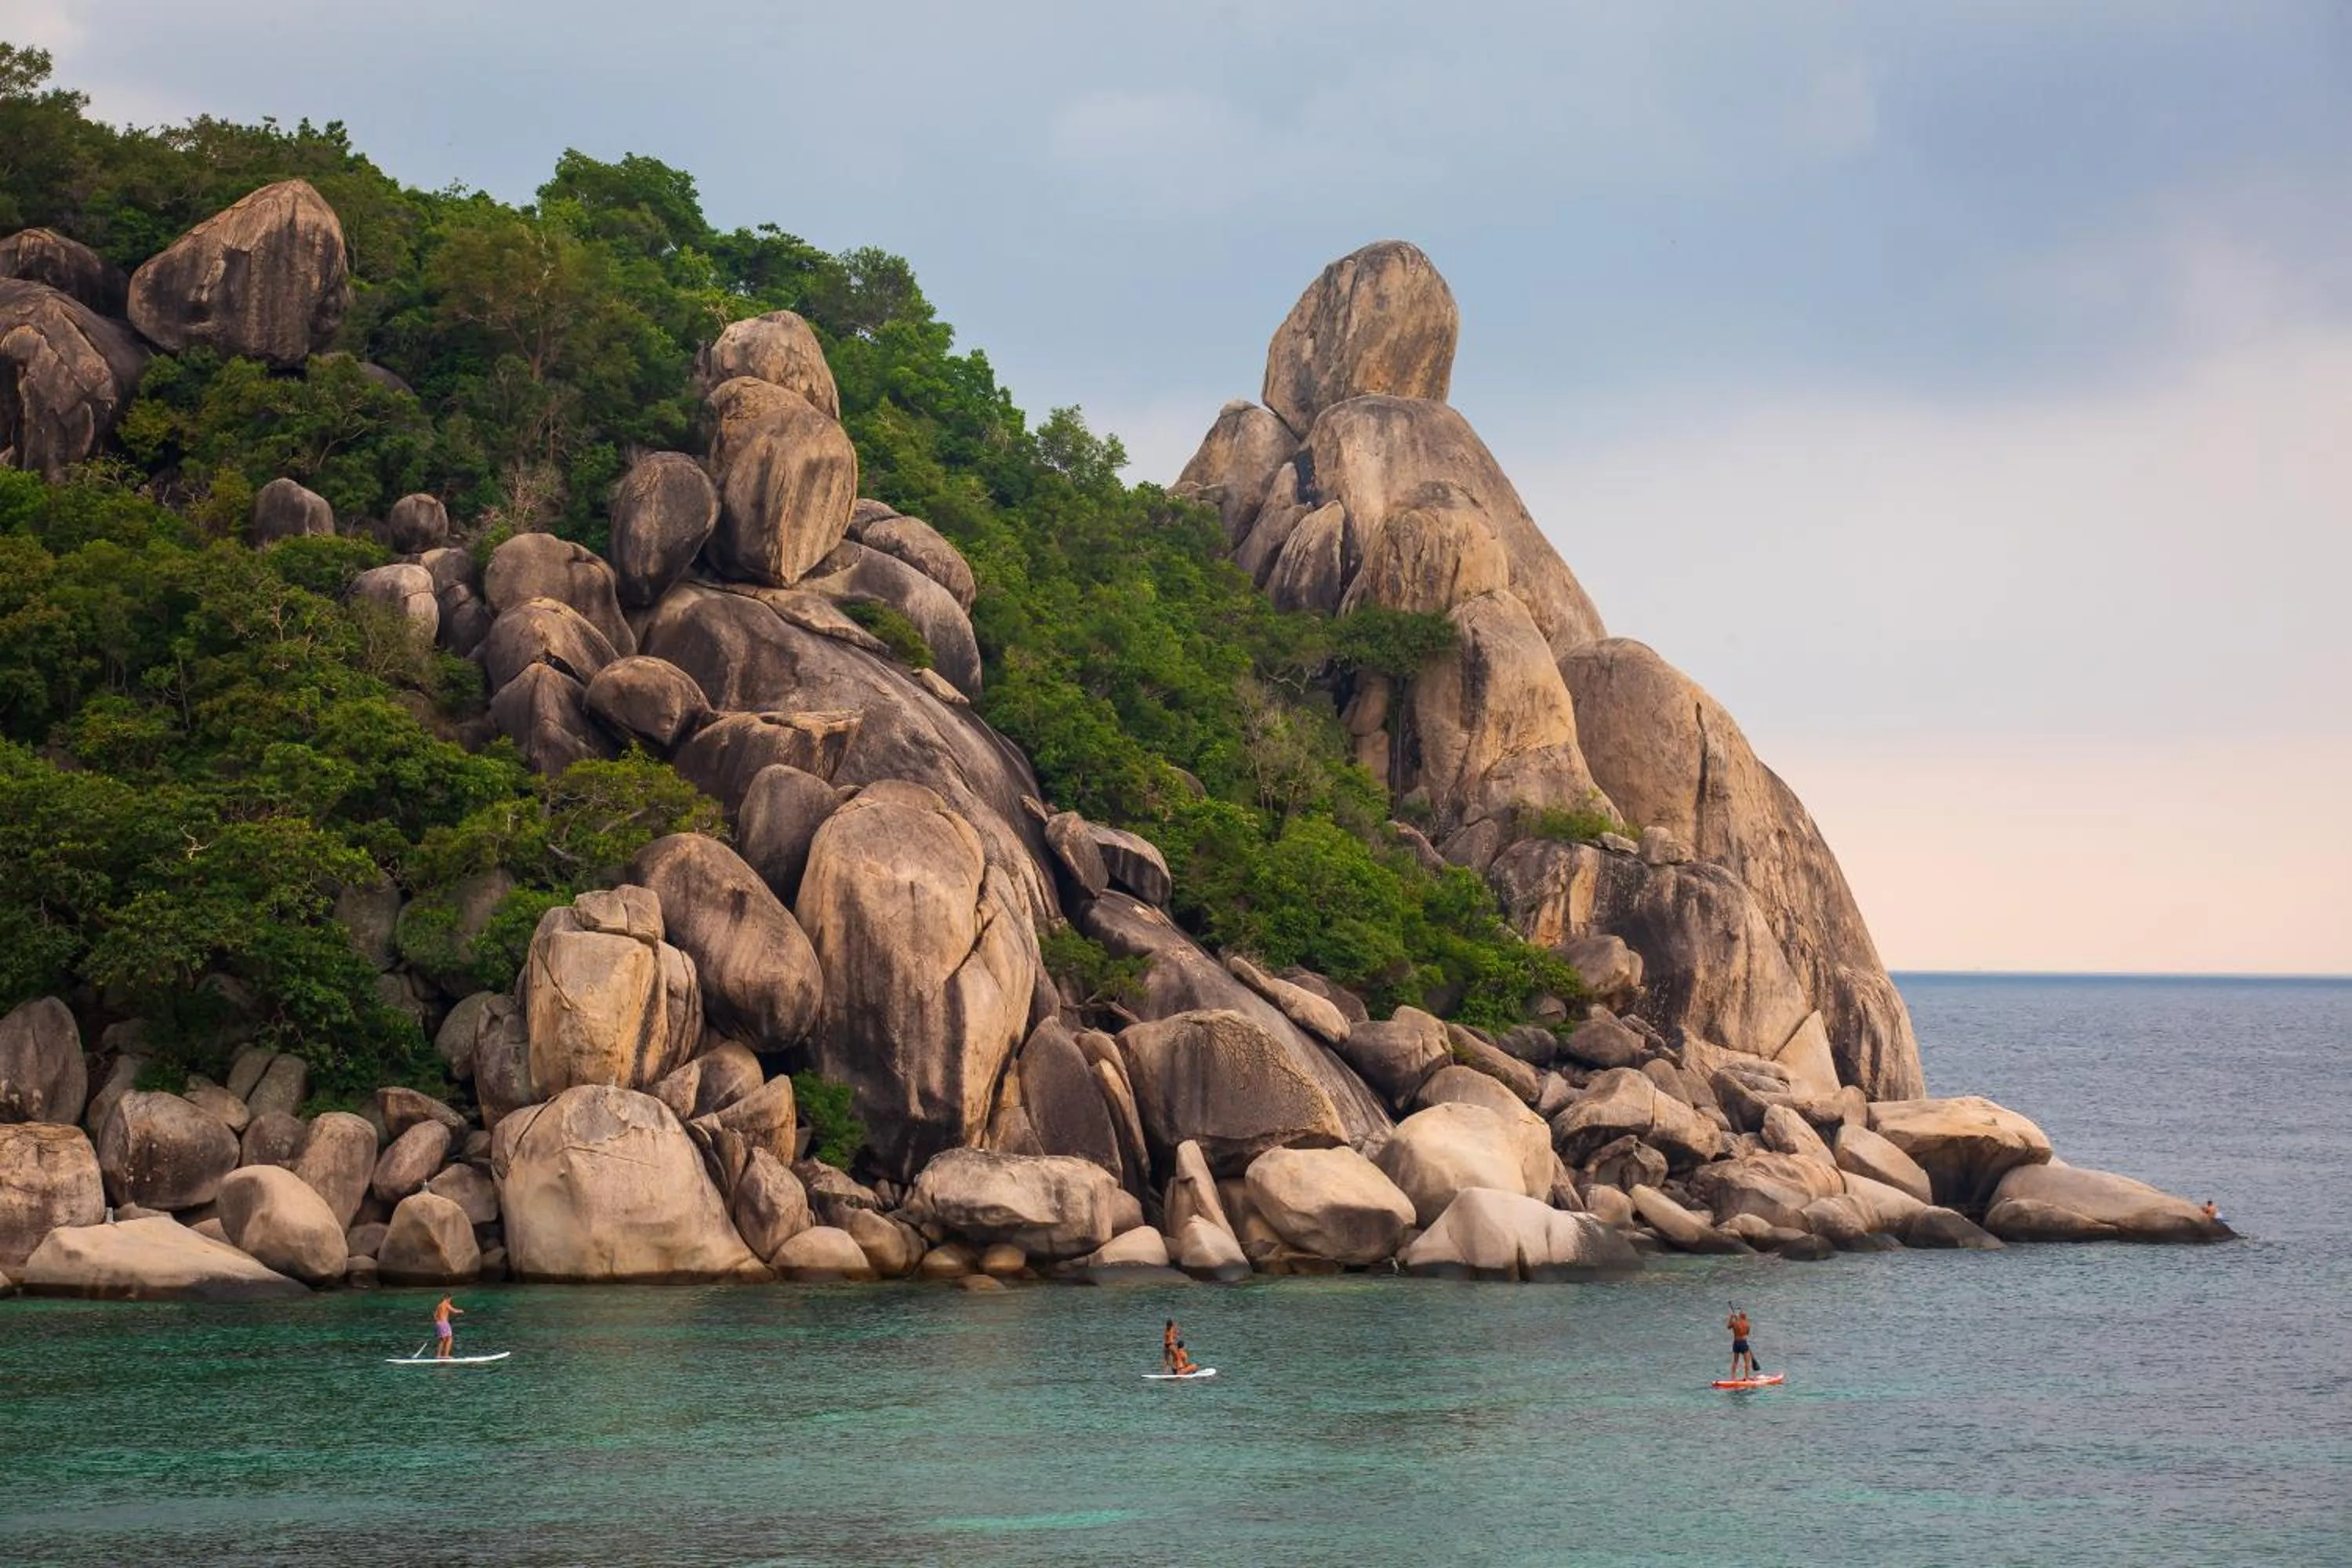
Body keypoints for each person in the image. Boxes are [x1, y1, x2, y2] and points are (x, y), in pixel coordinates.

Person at [1726, 1308, 1758, 1380]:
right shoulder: (1747, 1324)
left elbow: (1728, 1327)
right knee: (1747, 1362)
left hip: (1736, 1343)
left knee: (1735, 1361)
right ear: (1745, 1317)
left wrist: (1731, 1318)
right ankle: (1746, 1377)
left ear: (1739, 1316)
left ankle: (1733, 1377)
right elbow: (1747, 1333)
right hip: (1743, 1343)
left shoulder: (1735, 1323)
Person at [434, 1294, 466, 1359]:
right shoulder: (446, 1304)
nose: (450, 1301)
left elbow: (435, 1315)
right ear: (448, 1298)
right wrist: (461, 1311)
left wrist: (439, 1322)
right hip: (444, 1323)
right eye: (450, 1300)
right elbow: (453, 1310)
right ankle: (446, 1355)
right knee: (449, 1339)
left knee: (442, 1340)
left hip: (438, 1323)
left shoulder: (439, 1305)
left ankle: (438, 1355)